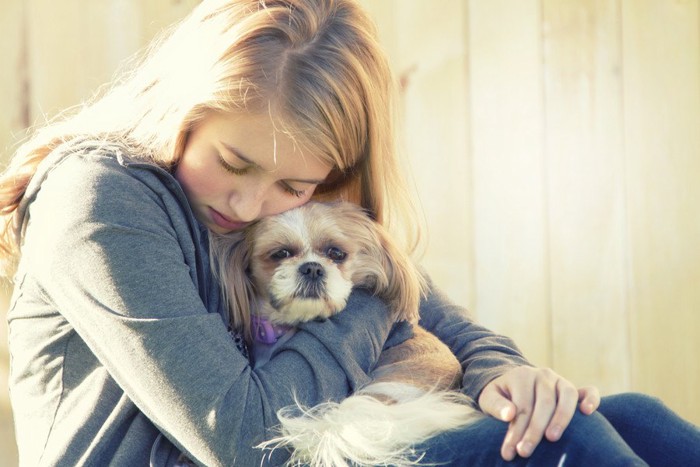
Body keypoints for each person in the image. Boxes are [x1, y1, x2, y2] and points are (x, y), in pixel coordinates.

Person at [0, 0, 698, 465]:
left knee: (634, 416)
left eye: (294, 188)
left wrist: (503, 374)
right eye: (231, 163)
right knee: (562, 444)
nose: (249, 204)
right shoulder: (99, 199)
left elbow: (423, 303)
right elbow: (248, 439)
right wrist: (357, 276)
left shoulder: (272, 199)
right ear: (180, 110)